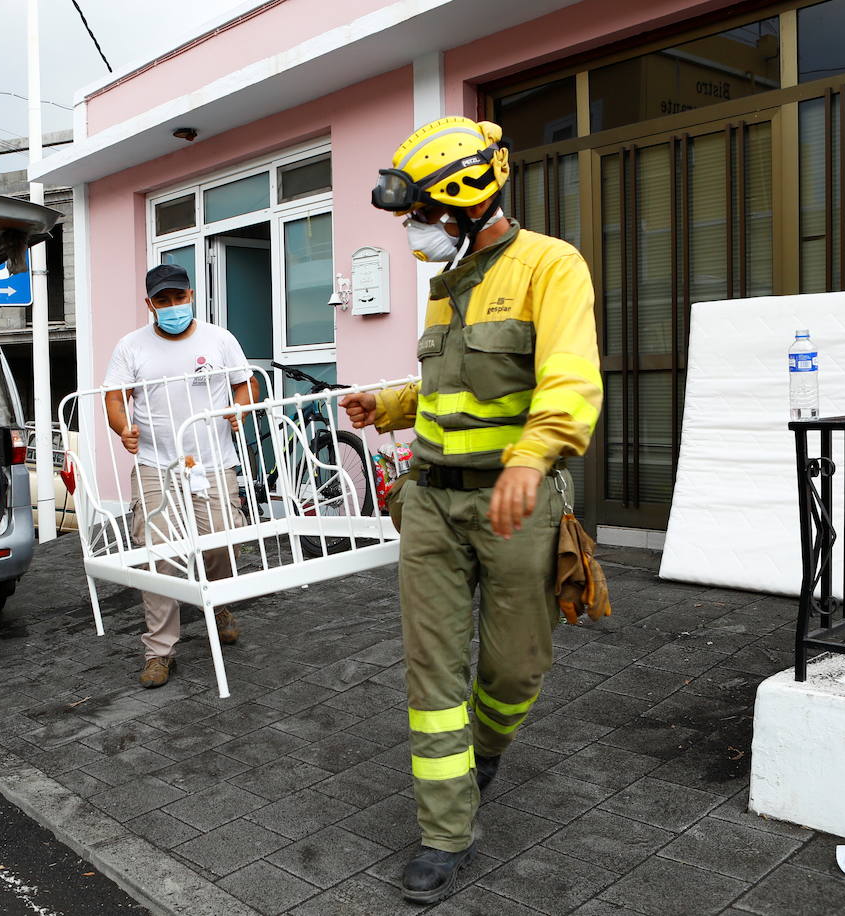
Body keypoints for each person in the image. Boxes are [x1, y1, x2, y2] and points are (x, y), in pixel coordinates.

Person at [340, 117, 602, 903]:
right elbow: (448, 388)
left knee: (518, 665)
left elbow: (568, 379)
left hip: (514, 502)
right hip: (429, 503)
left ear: (465, 204)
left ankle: (487, 746)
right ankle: (445, 831)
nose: (413, 233)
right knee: (432, 668)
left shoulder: (550, 268)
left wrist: (531, 459)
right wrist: (385, 403)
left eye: (421, 217)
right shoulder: (444, 286)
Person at [103, 264, 255, 688]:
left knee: (223, 539)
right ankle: (159, 651)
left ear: (191, 296)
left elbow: (245, 384)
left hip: (213, 463)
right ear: (149, 304)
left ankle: (217, 602)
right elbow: (115, 397)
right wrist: (123, 428)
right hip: (156, 465)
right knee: (159, 554)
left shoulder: (219, 339)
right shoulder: (131, 346)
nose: (173, 307)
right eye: (163, 301)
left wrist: (239, 408)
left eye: (179, 298)